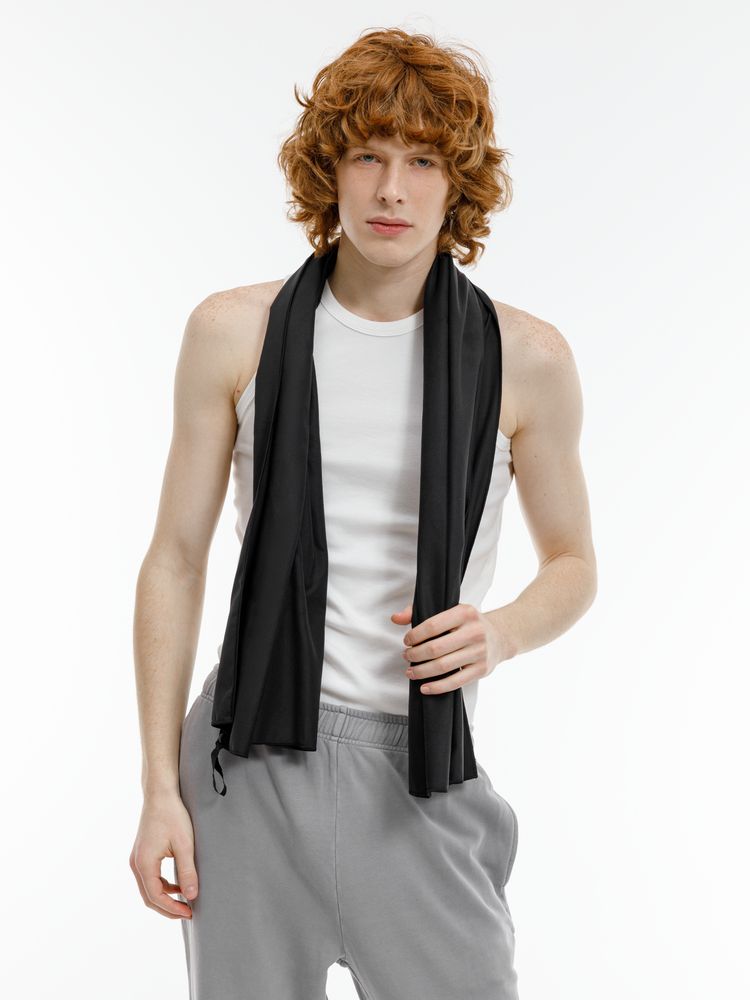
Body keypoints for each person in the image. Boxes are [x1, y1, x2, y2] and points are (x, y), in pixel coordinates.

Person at [130, 26, 597, 1000]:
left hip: (419, 771)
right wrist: (158, 789)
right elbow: (175, 558)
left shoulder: (527, 359)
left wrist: (501, 632)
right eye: (368, 156)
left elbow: (573, 563)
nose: (392, 190)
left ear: (458, 181)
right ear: (328, 169)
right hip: (249, 764)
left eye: (423, 161)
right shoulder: (235, 333)